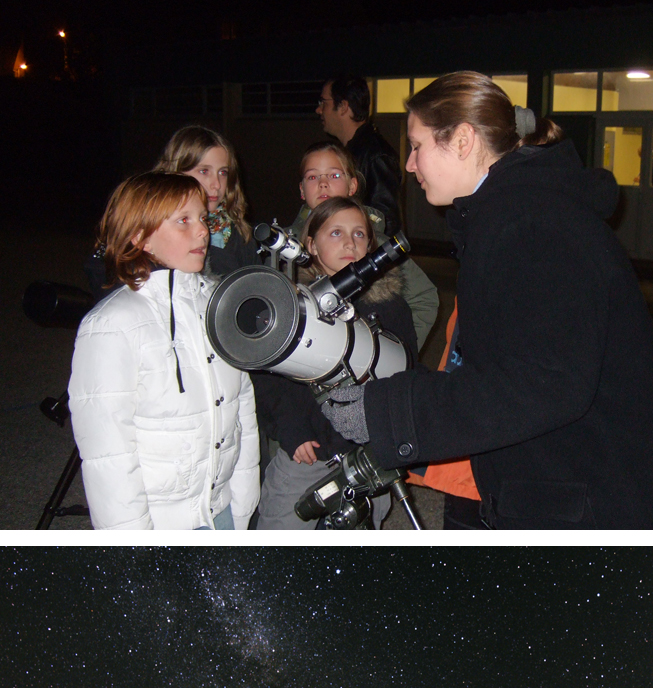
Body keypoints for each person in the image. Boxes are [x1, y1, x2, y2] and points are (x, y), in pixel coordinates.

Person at [318, 71, 653, 528]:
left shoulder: (533, 225)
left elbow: (542, 381)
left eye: (418, 146)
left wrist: (389, 412)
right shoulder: (509, 214)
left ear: (462, 140)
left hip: (610, 501)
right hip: (579, 481)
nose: (409, 164)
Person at [68, 172, 259, 529]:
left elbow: (241, 408)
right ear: (140, 236)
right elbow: (109, 455)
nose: (202, 231)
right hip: (160, 521)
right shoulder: (112, 326)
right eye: (183, 221)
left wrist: (244, 499)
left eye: (202, 218)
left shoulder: (217, 306)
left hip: (222, 510)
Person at [252, 197, 418, 529]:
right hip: (310, 448)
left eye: (360, 235)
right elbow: (270, 381)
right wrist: (293, 431)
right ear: (310, 244)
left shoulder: (391, 306)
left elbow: (406, 373)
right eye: (336, 233)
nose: (349, 242)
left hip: (366, 451)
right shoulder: (291, 305)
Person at [285, 140, 439, 350]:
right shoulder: (285, 246)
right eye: (313, 177)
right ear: (302, 189)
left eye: (334, 175)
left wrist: (399, 354)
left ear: (352, 186)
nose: (323, 183)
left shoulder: (378, 245)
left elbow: (425, 298)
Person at [86, 125, 255, 287]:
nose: (216, 184)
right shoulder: (148, 222)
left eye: (223, 173)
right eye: (204, 171)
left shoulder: (236, 232)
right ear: (177, 172)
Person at [317, 75, 403, 234]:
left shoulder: (376, 155)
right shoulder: (349, 151)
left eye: (323, 102)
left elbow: (386, 224)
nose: (318, 109)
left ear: (343, 106)